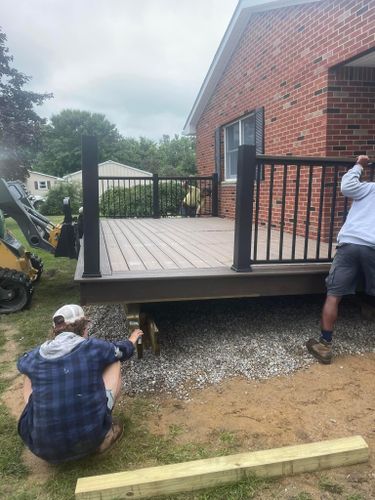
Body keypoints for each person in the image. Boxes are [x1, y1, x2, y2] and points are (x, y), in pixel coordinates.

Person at [17, 304, 143, 463]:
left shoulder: (35, 357)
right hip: (91, 441)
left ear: (55, 330)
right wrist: (132, 339)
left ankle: (42, 416)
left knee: (29, 373)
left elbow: (21, 364)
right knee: (114, 360)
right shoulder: (93, 347)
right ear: (84, 327)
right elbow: (122, 351)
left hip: (42, 449)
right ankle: (104, 432)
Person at [306, 155, 374, 364]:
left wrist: (359, 165)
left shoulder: (370, 188)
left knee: (334, 294)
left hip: (351, 244)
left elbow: (346, 186)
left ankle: (325, 345)